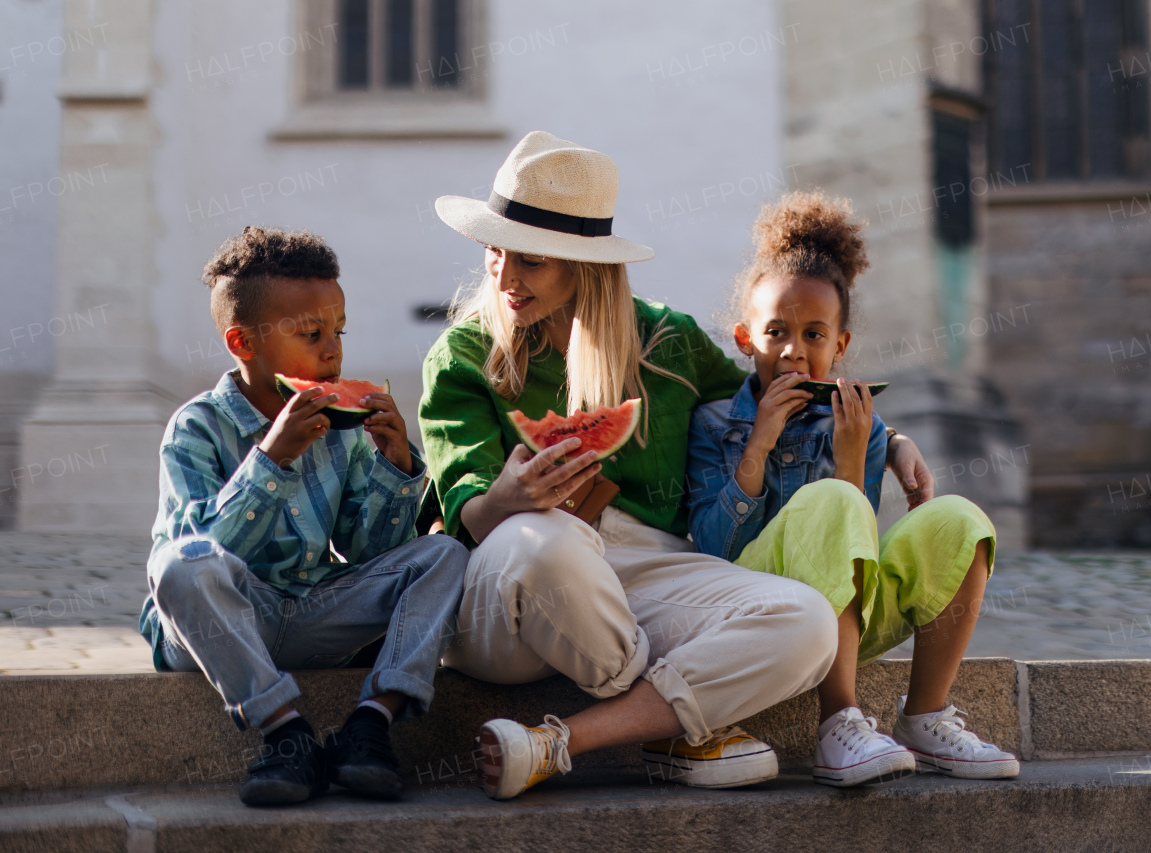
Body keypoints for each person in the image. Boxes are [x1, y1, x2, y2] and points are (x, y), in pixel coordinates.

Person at [418, 131, 839, 800]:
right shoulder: (463, 354)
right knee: (547, 540)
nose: (504, 278)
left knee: (809, 621)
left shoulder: (666, 339)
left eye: (529, 261)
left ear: (583, 265)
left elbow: (766, 398)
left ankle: (571, 738)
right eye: (495, 254)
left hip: (645, 570)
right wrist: (510, 494)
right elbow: (469, 511)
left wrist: (890, 436)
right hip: (509, 587)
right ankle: (686, 726)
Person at [685, 191, 1020, 787]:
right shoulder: (713, 424)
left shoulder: (858, 425)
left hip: (842, 623)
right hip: (754, 613)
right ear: (744, 339)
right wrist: (757, 449)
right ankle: (839, 721)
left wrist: (860, 451)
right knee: (836, 500)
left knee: (961, 520)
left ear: (840, 346)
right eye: (775, 332)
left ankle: (924, 715)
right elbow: (714, 552)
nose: (794, 349)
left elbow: (853, 556)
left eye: (815, 334)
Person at [139, 226, 468, 806]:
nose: (333, 351)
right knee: (175, 563)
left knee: (443, 553)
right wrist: (271, 460)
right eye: (311, 334)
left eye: (339, 331)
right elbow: (200, 555)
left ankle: (371, 721)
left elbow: (370, 554)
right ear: (242, 342)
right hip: (224, 624)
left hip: (314, 611)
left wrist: (396, 472)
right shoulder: (196, 428)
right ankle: (286, 733)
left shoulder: (344, 430)